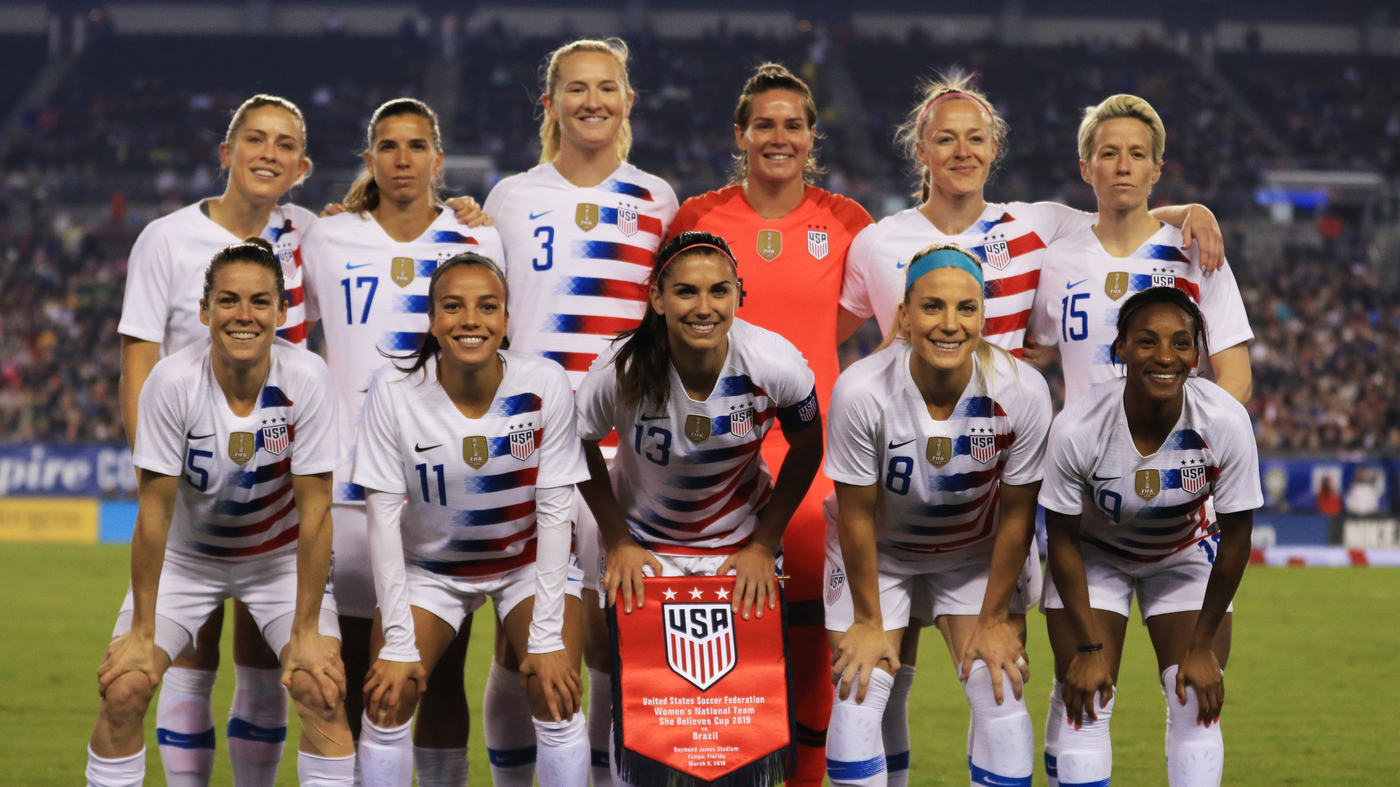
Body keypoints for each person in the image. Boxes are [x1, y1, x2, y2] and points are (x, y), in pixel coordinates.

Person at [838, 75, 1229, 786]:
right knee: (873, 687)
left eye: (976, 137)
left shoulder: (1040, 225)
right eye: (946, 137)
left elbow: (1125, 219)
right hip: (892, 491)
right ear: (920, 148)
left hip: (993, 500)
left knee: (1002, 688)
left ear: (995, 150)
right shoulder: (875, 241)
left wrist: (1192, 209)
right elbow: (826, 331)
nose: (961, 150)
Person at [665, 63, 874, 783]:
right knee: (723, 639)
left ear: (812, 136)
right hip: (719, 455)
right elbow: (669, 320)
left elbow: (851, 316)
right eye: (764, 124)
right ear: (741, 135)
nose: (778, 136)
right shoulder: (698, 215)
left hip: (814, 452)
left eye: (792, 124)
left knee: (814, 636)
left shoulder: (847, 221)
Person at [480, 37, 678, 786]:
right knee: (523, 640)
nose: (592, 99)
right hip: (533, 448)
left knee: (609, 637)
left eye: (607, 87)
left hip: (628, 452)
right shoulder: (509, 198)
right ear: (551, 103)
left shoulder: (658, 198)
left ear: (628, 101)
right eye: (576, 88)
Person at [88, 240, 353, 787]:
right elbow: (154, 513)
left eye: (260, 302)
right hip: (189, 560)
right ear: (205, 311)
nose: (244, 315)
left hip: (277, 560)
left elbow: (317, 512)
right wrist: (141, 630)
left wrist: (306, 630)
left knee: (320, 686)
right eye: (228, 301)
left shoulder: (307, 378)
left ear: (281, 312)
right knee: (124, 687)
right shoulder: (171, 381)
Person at [300, 97, 504, 787]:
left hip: (440, 489)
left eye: (417, 146)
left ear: (438, 160)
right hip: (349, 484)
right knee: (357, 672)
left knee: (437, 677)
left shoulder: (477, 241)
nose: (403, 158)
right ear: (369, 160)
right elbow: (292, 340)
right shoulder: (329, 239)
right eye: (388, 146)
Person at [116, 94, 318, 787]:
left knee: (269, 662)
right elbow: (138, 359)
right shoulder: (166, 239)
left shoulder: (313, 234)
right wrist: (158, 474)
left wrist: (468, 214)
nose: (268, 153)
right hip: (191, 483)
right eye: (254, 139)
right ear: (225, 152)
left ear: (302, 165)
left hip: (275, 491)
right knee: (190, 655)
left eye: (284, 144)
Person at [573, 232, 823, 783]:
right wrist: (618, 540)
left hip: (738, 547)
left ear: (739, 295)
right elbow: (578, 442)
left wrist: (763, 542)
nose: (703, 307)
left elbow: (810, 445)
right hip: (641, 542)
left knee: (735, 721)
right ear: (658, 299)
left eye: (719, 291)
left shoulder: (774, 361)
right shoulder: (620, 366)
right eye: (686, 292)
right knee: (632, 700)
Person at [351, 254, 591, 787]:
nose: (470, 320)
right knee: (388, 699)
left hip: (525, 563)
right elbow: (383, 522)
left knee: (556, 695)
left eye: (487, 307)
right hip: (428, 571)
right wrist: (396, 640)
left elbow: (555, 514)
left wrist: (548, 637)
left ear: (506, 320)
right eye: (452, 307)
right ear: (432, 321)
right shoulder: (392, 391)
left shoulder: (544, 382)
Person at [822, 244, 1052, 787]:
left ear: (983, 317)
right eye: (932, 307)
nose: (950, 324)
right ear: (903, 315)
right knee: (863, 691)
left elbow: (1019, 515)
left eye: (966, 309)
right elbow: (855, 517)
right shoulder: (861, 391)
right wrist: (870, 622)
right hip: (878, 553)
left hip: (975, 553)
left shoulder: (1022, 392)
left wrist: (994, 619)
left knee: (998, 689)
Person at [1039, 287, 1261, 787]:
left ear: (1197, 355)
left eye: (1182, 343)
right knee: (1086, 699)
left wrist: (1201, 647)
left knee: (1195, 701)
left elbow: (1237, 538)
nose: (1165, 356)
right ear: (1119, 349)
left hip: (1183, 555)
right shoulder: (1076, 426)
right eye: (1147, 342)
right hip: (1095, 556)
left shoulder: (1225, 421)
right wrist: (1090, 651)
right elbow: (1063, 540)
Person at [1029, 93, 1253, 407]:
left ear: (1156, 169)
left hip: (1174, 453)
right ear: (1086, 169)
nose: (1123, 167)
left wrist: (1191, 441)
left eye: (1137, 154)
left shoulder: (1195, 253)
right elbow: (1028, 349)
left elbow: (1237, 379)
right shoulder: (1057, 259)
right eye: (1109, 154)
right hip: (1087, 456)